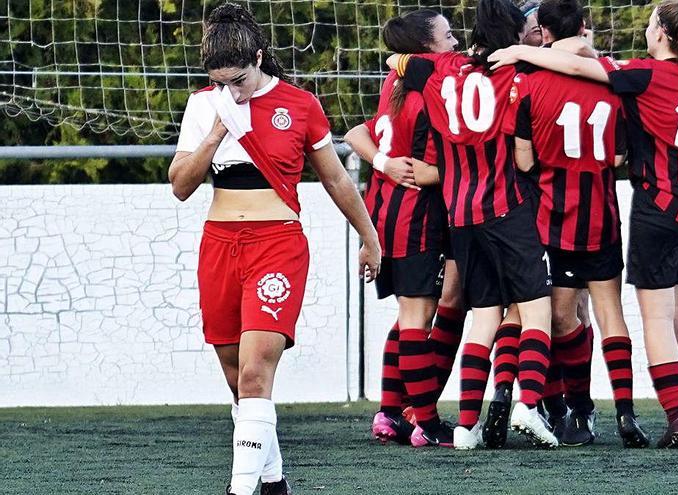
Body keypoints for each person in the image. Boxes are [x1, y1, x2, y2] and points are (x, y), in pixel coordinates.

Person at [489, 0, 678, 448]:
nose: (647, 27)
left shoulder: (644, 74)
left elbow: (578, 67)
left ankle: (676, 419)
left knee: (655, 318)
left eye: (652, 22)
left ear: (662, 35)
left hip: (660, 203)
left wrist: (523, 53)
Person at [168, 3, 380, 493]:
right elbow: (179, 186)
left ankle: (239, 489)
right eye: (221, 81)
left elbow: (334, 179)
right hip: (220, 244)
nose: (231, 90)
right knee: (234, 371)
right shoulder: (205, 105)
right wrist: (219, 130)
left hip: (277, 243)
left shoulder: (300, 104)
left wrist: (369, 237)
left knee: (257, 367)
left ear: (259, 57)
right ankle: (273, 480)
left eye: (238, 79)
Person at [388, 0, 557, 450]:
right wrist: (522, 55)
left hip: (460, 213)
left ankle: (465, 427)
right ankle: (528, 404)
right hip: (507, 205)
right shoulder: (519, 74)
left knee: (482, 315)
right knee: (537, 308)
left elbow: (395, 59)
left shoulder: (443, 69)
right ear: (515, 35)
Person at [507, 0, 651, 448]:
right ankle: (626, 413)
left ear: (544, 33)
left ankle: (576, 411)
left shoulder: (528, 82)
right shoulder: (611, 79)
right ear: (584, 27)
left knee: (560, 317)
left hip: (555, 218)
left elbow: (523, 159)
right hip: (602, 216)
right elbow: (619, 156)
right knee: (610, 313)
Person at [344, 9, 463, 448]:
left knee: (405, 317)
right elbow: (430, 169)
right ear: (426, 47)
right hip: (416, 217)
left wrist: (383, 163)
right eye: (447, 36)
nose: (454, 43)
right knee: (417, 318)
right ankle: (427, 425)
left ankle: (389, 414)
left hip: (383, 215)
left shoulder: (392, 84)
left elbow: (358, 133)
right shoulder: (430, 89)